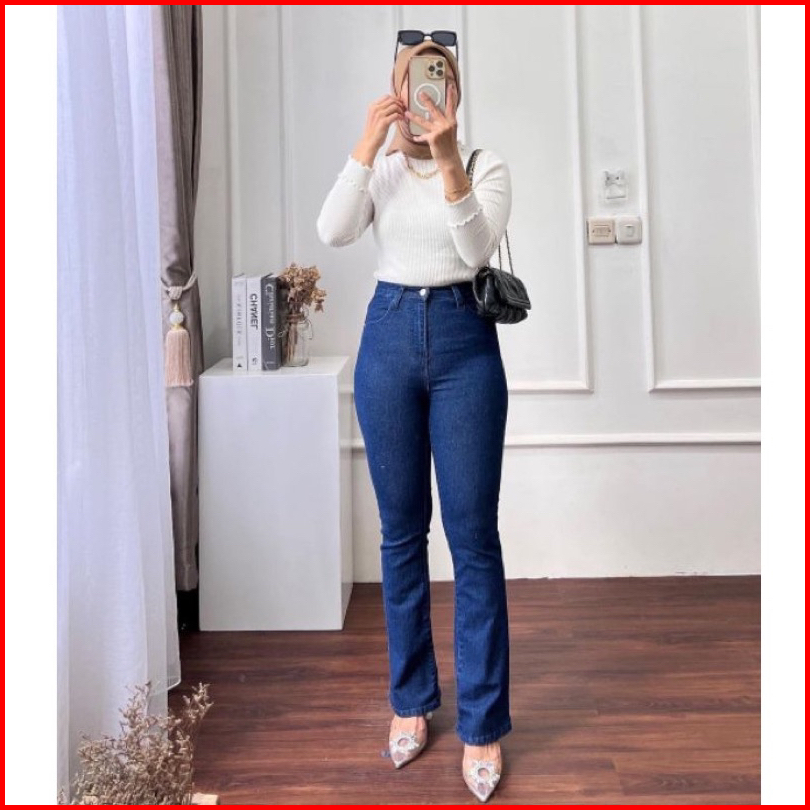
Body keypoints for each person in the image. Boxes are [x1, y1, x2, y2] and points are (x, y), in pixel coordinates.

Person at [316, 37, 512, 803]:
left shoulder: (486, 164)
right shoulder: (383, 172)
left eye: (440, 77)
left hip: (466, 345)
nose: (427, 90)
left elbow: (475, 246)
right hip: (389, 338)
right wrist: (367, 143)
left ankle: (482, 723)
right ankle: (410, 701)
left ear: (455, 91)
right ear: (395, 87)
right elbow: (334, 230)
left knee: (474, 539)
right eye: (414, 77)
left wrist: (450, 154)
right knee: (400, 534)